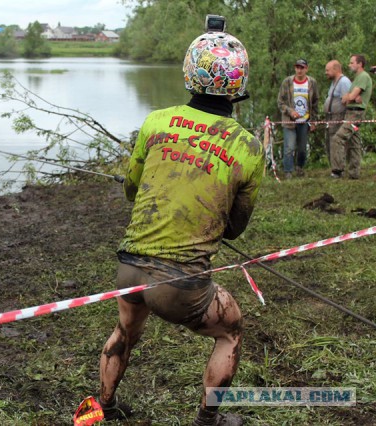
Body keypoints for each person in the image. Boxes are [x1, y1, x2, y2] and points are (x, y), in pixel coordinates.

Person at [98, 27, 265, 426]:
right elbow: (235, 228)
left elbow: (132, 190)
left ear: (189, 71)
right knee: (230, 331)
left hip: (130, 269)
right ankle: (209, 421)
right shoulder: (249, 148)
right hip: (182, 285)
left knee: (125, 331)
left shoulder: (156, 122)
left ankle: (104, 405)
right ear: (238, 84)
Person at [330, 54, 373, 179]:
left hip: (356, 114)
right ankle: (354, 173)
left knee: (338, 138)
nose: (349, 65)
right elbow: (348, 99)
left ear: (360, 64)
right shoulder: (357, 78)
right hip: (351, 112)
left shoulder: (364, 76)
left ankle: (338, 170)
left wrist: (350, 97)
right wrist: (350, 97)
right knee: (354, 143)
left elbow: (351, 97)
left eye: (352, 62)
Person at [277, 59, 320, 178]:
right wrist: (290, 111)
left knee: (302, 149)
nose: (299, 70)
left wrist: (314, 121)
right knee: (289, 147)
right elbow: (280, 102)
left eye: (302, 68)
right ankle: (288, 171)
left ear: (306, 69)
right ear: (295, 68)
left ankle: (299, 167)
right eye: (297, 67)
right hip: (289, 121)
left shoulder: (312, 83)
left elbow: (316, 102)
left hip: (305, 120)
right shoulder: (287, 82)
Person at [323, 60, 352, 163]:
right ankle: (334, 166)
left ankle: (339, 168)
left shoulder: (344, 82)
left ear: (335, 69)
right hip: (331, 118)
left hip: (339, 117)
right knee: (330, 142)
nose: (325, 72)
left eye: (327, 70)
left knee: (337, 142)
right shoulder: (334, 82)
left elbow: (348, 101)